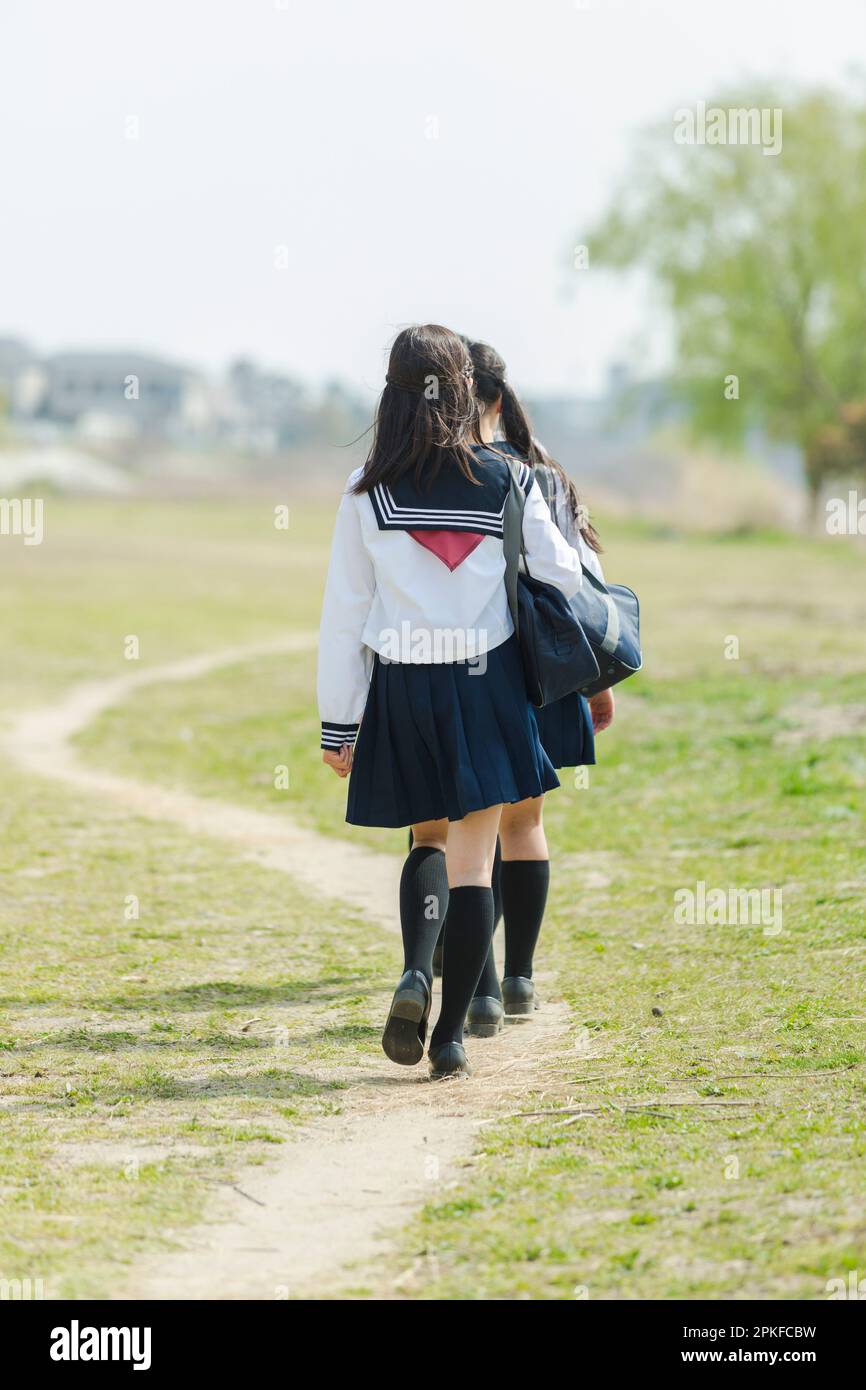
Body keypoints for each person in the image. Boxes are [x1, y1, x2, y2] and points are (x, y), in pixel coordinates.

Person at [317, 324, 582, 1077]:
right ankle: (453, 1038)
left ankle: (412, 973)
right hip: (484, 682)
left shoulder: (366, 488)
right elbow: (562, 577)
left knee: (425, 838)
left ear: (392, 395)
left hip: (404, 687)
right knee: (473, 861)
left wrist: (340, 722)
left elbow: (344, 613)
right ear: (466, 390)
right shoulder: (506, 478)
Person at [434, 339, 616, 1038]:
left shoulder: (451, 479)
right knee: (524, 823)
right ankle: (519, 980)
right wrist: (597, 680)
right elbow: (584, 587)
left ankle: (476, 991)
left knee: (465, 827)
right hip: (548, 672)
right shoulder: (549, 476)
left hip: (475, 672)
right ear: (502, 402)